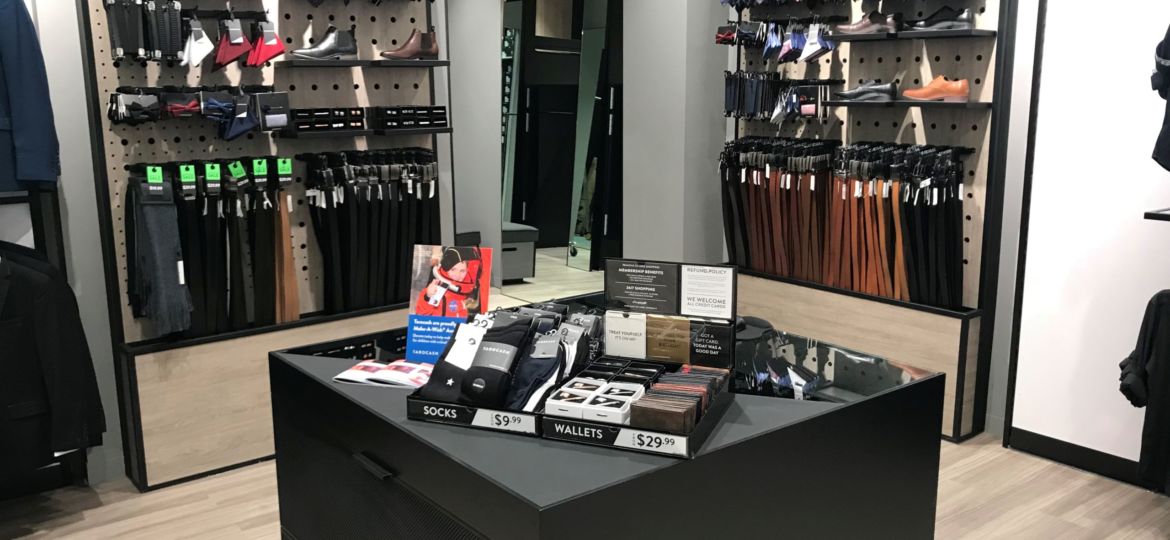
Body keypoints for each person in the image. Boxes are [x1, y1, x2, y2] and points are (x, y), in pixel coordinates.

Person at [414, 247, 482, 318]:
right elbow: (420, 317)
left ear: (467, 272)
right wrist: (428, 297)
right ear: (445, 269)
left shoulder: (469, 296)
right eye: (453, 269)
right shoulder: (433, 291)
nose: (457, 275)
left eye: (462, 271)